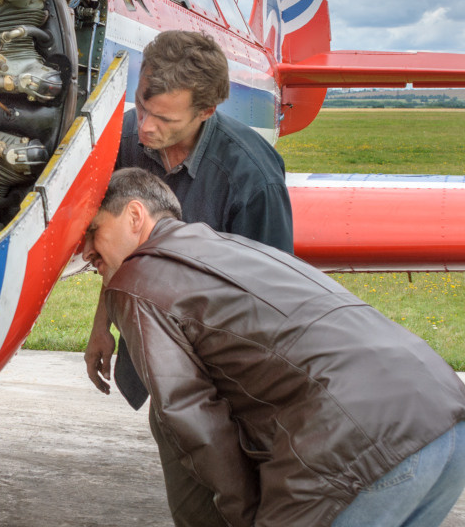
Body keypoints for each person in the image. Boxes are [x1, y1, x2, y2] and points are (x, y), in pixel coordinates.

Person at [84, 168, 465, 527]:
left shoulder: (137, 281)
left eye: (93, 230)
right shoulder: (227, 245)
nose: (85, 252)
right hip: (444, 417)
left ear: (135, 216)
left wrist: (247, 515)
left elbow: (192, 422)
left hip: (367, 444)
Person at [85, 30, 294, 525]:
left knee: (251, 505)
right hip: (169, 370)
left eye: (165, 119)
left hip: (234, 378)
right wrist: (103, 325)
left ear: (206, 112)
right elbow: (114, 248)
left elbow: (272, 301)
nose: (146, 128)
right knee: (194, 508)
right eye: (143, 106)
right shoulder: (123, 141)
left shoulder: (252, 178)